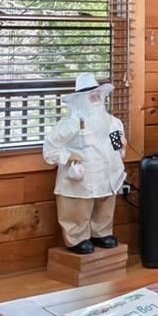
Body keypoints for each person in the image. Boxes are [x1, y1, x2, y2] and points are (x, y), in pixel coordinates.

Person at [44, 72, 125, 254]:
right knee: (77, 208)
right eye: (92, 96)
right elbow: (50, 150)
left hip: (107, 174)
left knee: (104, 205)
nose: (96, 98)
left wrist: (121, 146)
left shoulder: (113, 123)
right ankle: (76, 238)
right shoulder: (69, 125)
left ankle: (101, 233)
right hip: (81, 176)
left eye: (98, 95)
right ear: (81, 100)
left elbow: (118, 146)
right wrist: (69, 156)